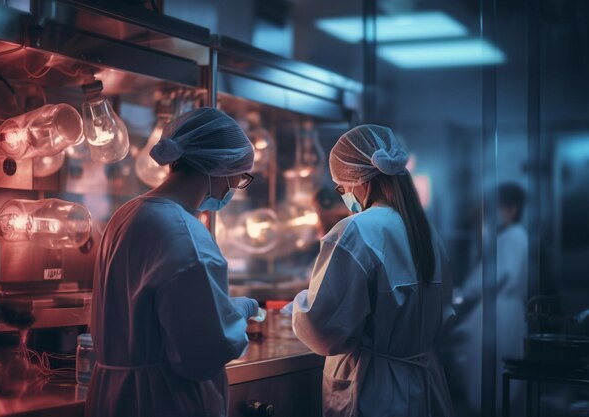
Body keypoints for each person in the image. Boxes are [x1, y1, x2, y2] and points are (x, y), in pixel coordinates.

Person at [85, 108, 260, 417]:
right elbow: (203, 354)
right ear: (220, 166)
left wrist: (221, 308)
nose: (233, 186)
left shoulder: (128, 215)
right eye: (240, 176)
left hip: (112, 395)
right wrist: (235, 316)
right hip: (163, 400)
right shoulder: (185, 234)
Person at [289, 125, 455, 417]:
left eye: (340, 187)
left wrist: (301, 305)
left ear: (360, 181)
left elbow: (323, 332)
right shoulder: (424, 230)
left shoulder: (356, 230)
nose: (342, 195)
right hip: (423, 383)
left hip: (375, 390)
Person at [451, 183, 528, 415]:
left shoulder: (515, 236)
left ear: (512, 209)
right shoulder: (509, 236)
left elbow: (500, 275)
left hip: (502, 311)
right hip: (500, 309)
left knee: (491, 374)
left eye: (498, 208)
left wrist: (466, 293)